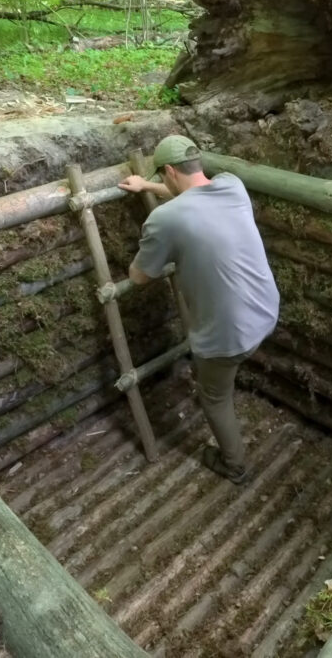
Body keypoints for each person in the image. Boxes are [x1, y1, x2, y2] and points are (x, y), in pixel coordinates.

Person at [118, 135, 279, 484]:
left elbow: (140, 276)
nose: (162, 183)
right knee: (229, 368)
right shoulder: (232, 186)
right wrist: (146, 184)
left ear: (171, 171)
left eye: (162, 177)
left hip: (228, 335)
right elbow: (191, 195)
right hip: (265, 311)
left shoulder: (165, 219)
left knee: (215, 396)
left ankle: (234, 466)